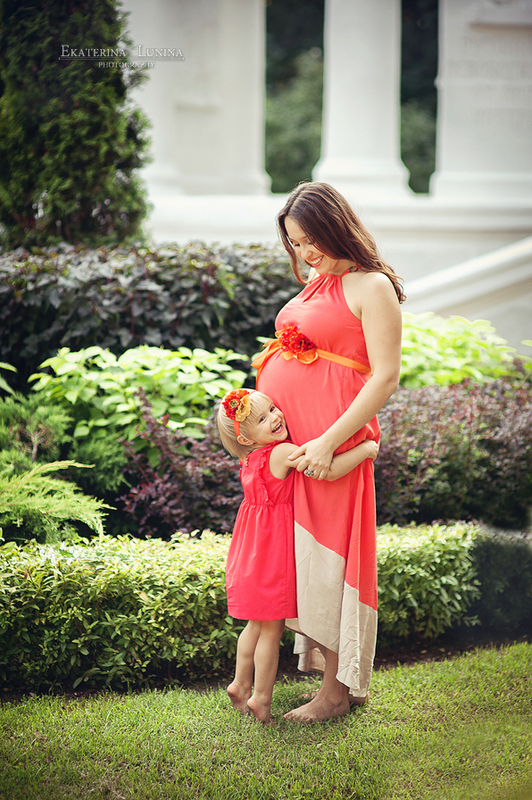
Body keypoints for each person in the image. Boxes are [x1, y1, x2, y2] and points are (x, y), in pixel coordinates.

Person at [252, 182, 404, 722]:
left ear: (335, 225)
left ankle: (336, 694)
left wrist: (329, 441)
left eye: (310, 239)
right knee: (308, 561)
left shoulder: (371, 285)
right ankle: (337, 684)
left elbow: (385, 377)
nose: (304, 251)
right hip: (297, 449)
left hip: (330, 444)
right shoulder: (317, 284)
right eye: (295, 243)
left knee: (334, 560)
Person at [217, 387, 379, 724]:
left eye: (273, 408)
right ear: (246, 438)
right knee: (271, 631)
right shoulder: (281, 452)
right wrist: (365, 450)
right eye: (262, 419)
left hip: (249, 553)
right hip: (272, 556)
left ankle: (239, 682)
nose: (275, 417)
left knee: (254, 624)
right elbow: (326, 469)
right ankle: (261, 698)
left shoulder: (250, 460)